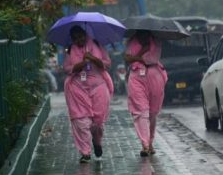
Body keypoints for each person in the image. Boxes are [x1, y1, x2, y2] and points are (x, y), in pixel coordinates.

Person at [63, 25, 114, 163]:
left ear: (85, 35)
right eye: (75, 38)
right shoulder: (69, 50)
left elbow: (107, 64)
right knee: (81, 121)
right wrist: (80, 64)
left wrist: (92, 58)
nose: (79, 40)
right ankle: (85, 152)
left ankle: (97, 142)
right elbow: (67, 68)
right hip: (78, 88)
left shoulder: (97, 44)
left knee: (97, 123)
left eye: (81, 36)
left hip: (98, 87)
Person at [124, 30, 168, 157]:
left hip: (154, 75)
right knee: (141, 111)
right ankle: (145, 145)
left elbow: (150, 59)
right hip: (136, 76)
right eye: (139, 34)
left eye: (145, 34)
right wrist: (141, 53)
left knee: (152, 113)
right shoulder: (131, 42)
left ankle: (150, 141)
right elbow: (127, 58)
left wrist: (137, 57)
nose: (142, 36)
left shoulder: (156, 42)